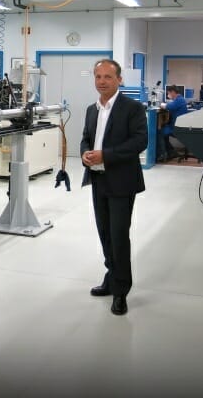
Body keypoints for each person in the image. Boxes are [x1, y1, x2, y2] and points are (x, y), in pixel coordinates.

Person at [81, 59, 147, 316]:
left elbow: (140, 141)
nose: (102, 81)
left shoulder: (132, 108)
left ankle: (121, 291)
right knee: (105, 234)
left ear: (119, 79)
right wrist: (85, 153)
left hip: (121, 181)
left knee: (119, 236)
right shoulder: (91, 109)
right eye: (98, 76)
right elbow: (86, 138)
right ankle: (111, 277)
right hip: (98, 180)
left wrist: (105, 155)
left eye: (108, 77)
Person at [157, 85, 189, 161]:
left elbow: (169, 107)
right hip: (177, 125)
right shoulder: (179, 99)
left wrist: (160, 104)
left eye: (169, 93)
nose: (168, 95)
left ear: (173, 92)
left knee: (159, 132)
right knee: (163, 130)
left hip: (177, 128)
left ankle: (163, 154)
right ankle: (171, 152)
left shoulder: (179, 100)